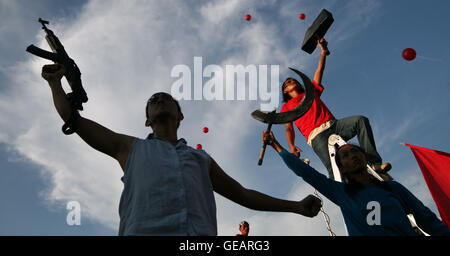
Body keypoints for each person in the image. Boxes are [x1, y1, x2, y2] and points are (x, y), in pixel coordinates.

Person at [41, 63, 322, 236]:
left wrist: (295, 206)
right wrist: (55, 82)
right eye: (153, 100)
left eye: (167, 98)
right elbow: (74, 120)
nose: (160, 98)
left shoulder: (200, 158)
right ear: (147, 120)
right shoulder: (129, 148)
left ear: (180, 115)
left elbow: (243, 194)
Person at [263, 130, 450, 236]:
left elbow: (426, 218)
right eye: (345, 155)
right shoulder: (341, 193)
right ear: (341, 167)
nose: (352, 156)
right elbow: (306, 172)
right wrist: (277, 146)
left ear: (365, 158)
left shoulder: (393, 188)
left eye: (355, 152)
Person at [281, 38, 391, 178]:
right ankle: (345, 194)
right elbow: (288, 128)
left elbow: (319, 70)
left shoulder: (310, 92)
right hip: (317, 136)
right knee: (336, 171)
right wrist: (292, 146)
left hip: (334, 125)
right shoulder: (287, 106)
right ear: (285, 91)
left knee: (360, 121)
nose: (292, 81)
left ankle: (374, 163)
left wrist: (323, 52)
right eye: (287, 83)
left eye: (293, 80)